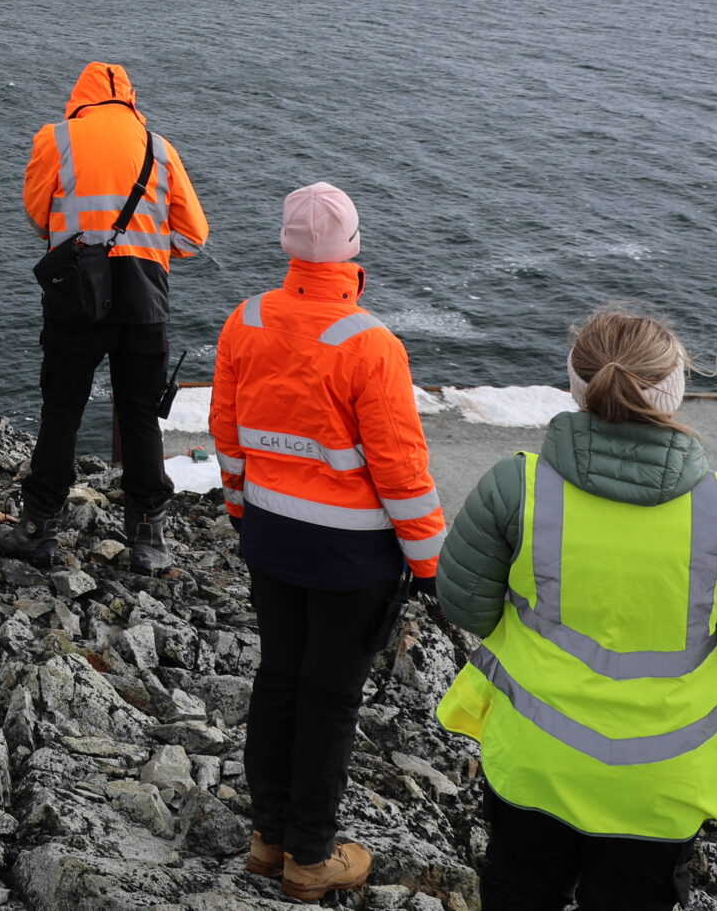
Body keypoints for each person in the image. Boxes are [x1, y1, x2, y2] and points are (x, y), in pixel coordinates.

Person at [437, 307, 717, 911]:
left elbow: (466, 607)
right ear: (673, 392)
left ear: (576, 385)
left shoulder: (516, 486)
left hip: (534, 758)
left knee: (519, 892)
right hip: (662, 777)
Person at [205, 183, 444, 901]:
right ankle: (311, 856)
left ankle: (268, 837)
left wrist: (244, 510)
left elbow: (228, 431)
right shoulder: (370, 343)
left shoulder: (243, 322)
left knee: (278, 678)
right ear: (354, 250)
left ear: (285, 244)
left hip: (272, 539)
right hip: (352, 559)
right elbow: (400, 467)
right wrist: (428, 560)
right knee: (330, 699)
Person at [1, 60, 208, 574]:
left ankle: (38, 527)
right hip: (144, 298)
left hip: (76, 294)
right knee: (139, 415)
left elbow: (36, 215)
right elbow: (192, 237)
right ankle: (147, 537)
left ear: (80, 97)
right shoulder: (159, 147)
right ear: (131, 99)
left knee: (62, 409)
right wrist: (148, 247)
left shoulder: (56, 138)